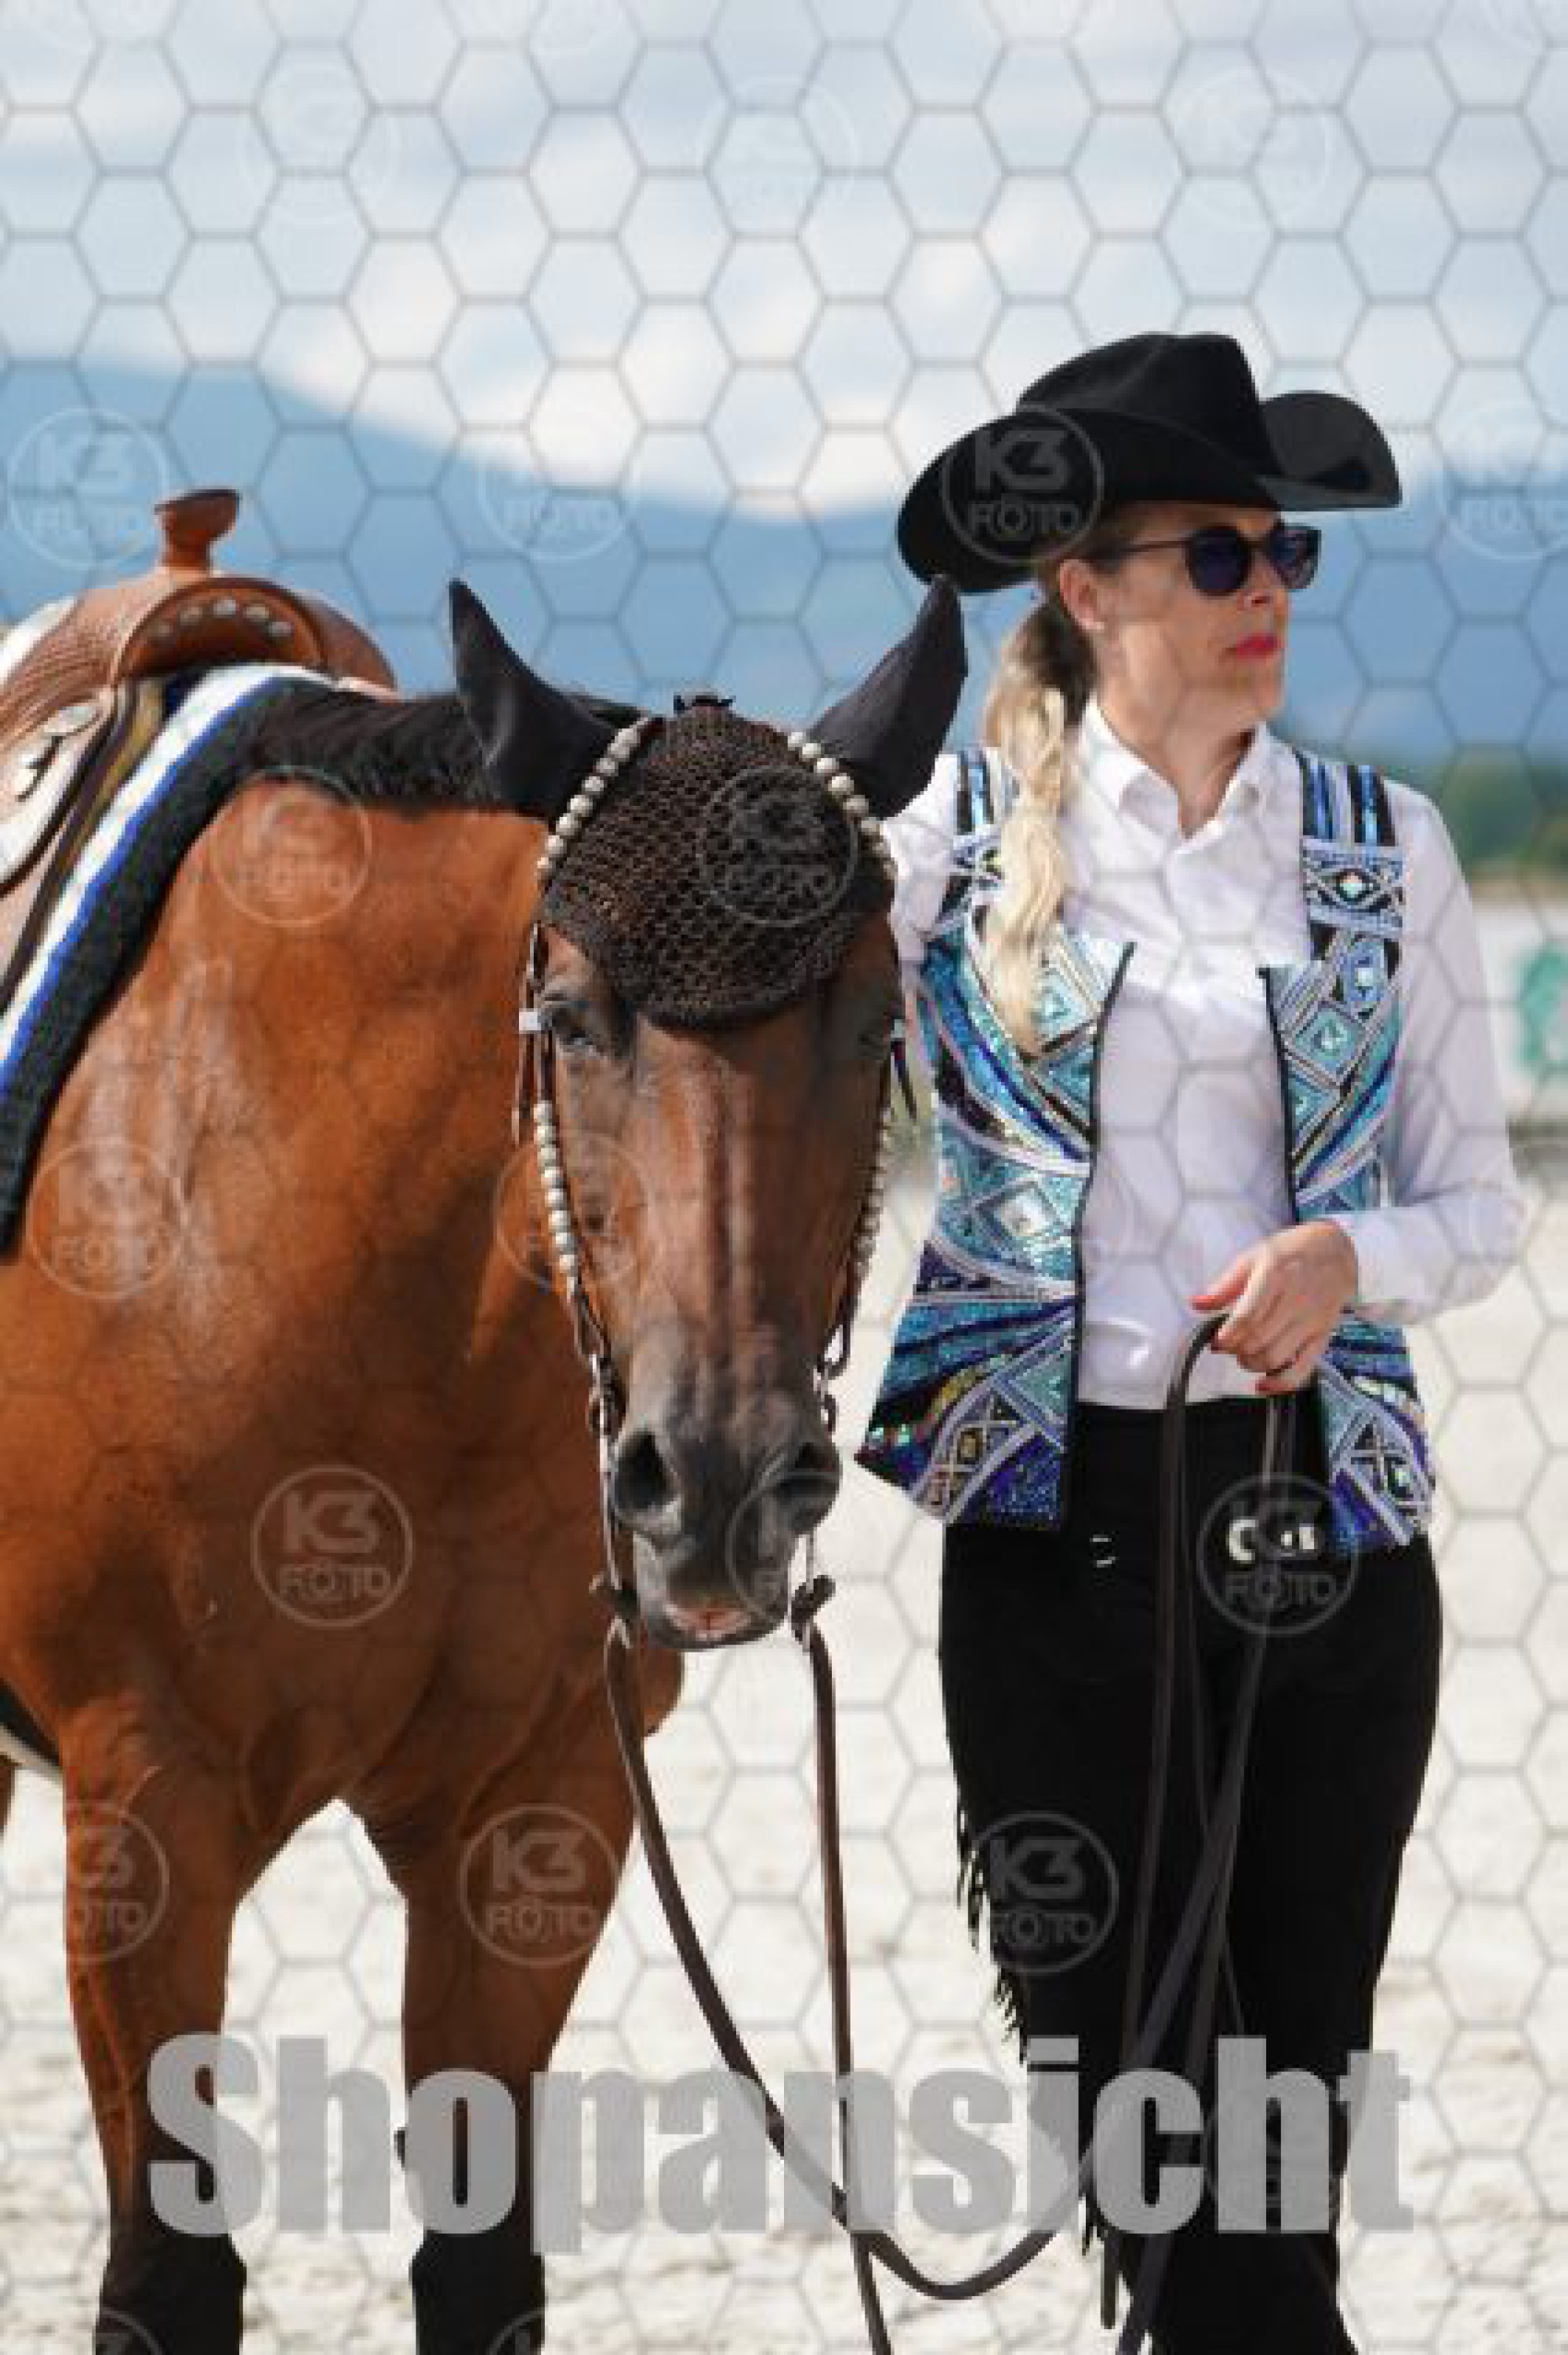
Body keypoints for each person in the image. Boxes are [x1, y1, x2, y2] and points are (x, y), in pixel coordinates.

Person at [854, 331, 1530, 2355]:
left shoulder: (1386, 847)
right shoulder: (949, 846)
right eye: (1218, 554)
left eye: (1285, 554)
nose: (1268, 592)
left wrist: (1347, 1255)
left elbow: (1480, 1208)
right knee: (1147, 2132)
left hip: (1329, 1539)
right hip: (1053, 1547)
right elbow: (755, 1039)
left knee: (1282, 2138)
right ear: (1085, 586)